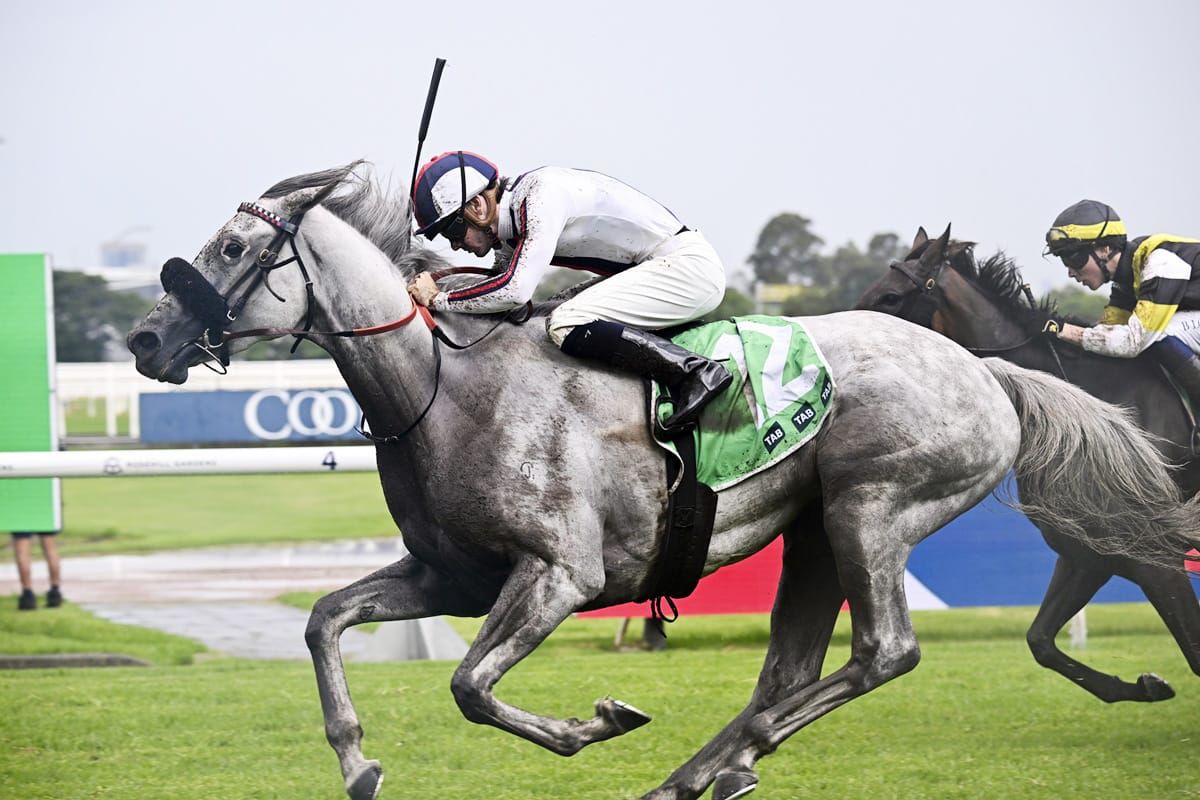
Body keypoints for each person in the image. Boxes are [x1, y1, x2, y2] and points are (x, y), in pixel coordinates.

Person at [406, 151, 730, 432]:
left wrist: (438, 299)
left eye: (451, 229)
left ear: (477, 206)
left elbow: (514, 293)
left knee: (565, 321)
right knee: (551, 312)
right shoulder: (513, 225)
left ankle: (694, 373)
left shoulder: (539, 197)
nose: (454, 244)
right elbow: (510, 306)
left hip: (687, 269)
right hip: (656, 267)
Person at [1043, 199, 1200, 400]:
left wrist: (1062, 329)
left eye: (1073, 257)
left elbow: (1133, 342)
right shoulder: (1128, 278)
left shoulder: (1160, 262)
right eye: (1064, 260)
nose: (1070, 272)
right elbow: (1105, 332)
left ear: (1104, 249)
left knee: (1157, 335)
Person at [12, 530, 63, 611]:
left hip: (21, 517)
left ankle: (27, 595)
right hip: (44, 517)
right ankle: (55, 592)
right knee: (50, 548)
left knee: (22, 549)